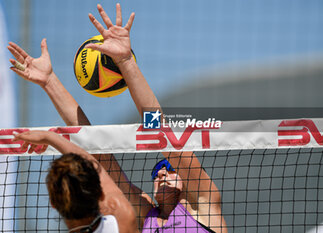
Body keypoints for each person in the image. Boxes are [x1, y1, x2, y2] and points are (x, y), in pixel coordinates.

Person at [8, 3, 227, 232]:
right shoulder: (143, 216)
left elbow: (160, 130)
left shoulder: (205, 202)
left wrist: (125, 61)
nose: (162, 172)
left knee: (164, 138)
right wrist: (49, 81)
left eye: (170, 169)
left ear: (186, 181)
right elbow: (96, 151)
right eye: (157, 172)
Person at [13, 130, 139, 233]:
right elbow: (95, 168)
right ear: (100, 194)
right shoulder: (123, 219)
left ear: (53, 203)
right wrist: (50, 137)